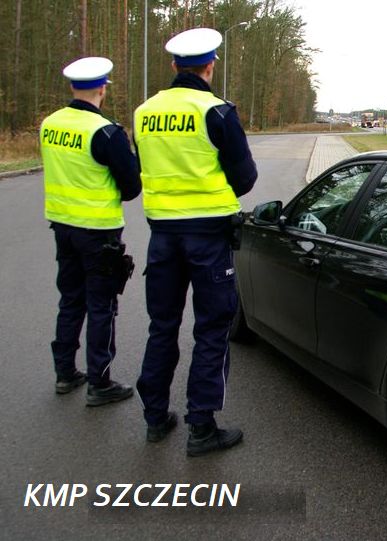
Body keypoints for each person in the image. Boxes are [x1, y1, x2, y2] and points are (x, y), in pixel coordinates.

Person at [134, 28, 257, 456]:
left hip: (162, 237)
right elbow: (245, 178)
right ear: (210, 65)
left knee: (162, 327)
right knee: (211, 329)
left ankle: (154, 418)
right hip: (207, 238)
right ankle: (201, 428)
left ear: (173, 65)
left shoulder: (143, 112)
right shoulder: (217, 112)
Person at [41, 56, 141, 406]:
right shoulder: (106, 132)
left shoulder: (49, 124)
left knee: (70, 300)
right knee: (102, 305)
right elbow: (131, 188)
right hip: (98, 232)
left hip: (62, 227)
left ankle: (65, 373)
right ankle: (100, 382)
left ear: (72, 87)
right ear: (102, 88)